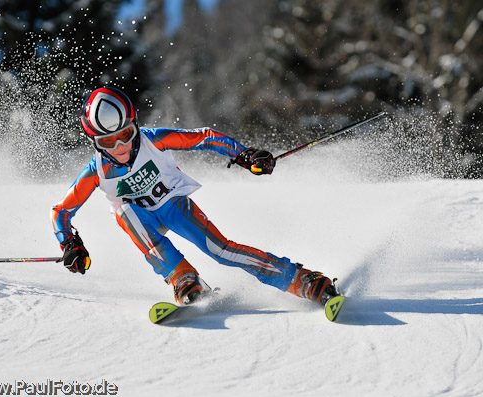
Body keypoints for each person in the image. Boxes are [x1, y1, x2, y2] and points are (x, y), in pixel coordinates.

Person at [52, 87, 340, 306]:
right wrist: (71, 243)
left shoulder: (153, 139)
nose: (119, 147)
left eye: (126, 134)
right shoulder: (95, 171)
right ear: (94, 141)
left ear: (134, 125)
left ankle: (301, 279)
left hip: (173, 204)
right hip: (140, 219)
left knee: (221, 251)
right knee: (125, 213)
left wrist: (243, 155)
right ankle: (184, 278)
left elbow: (204, 137)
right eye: (107, 142)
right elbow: (61, 212)